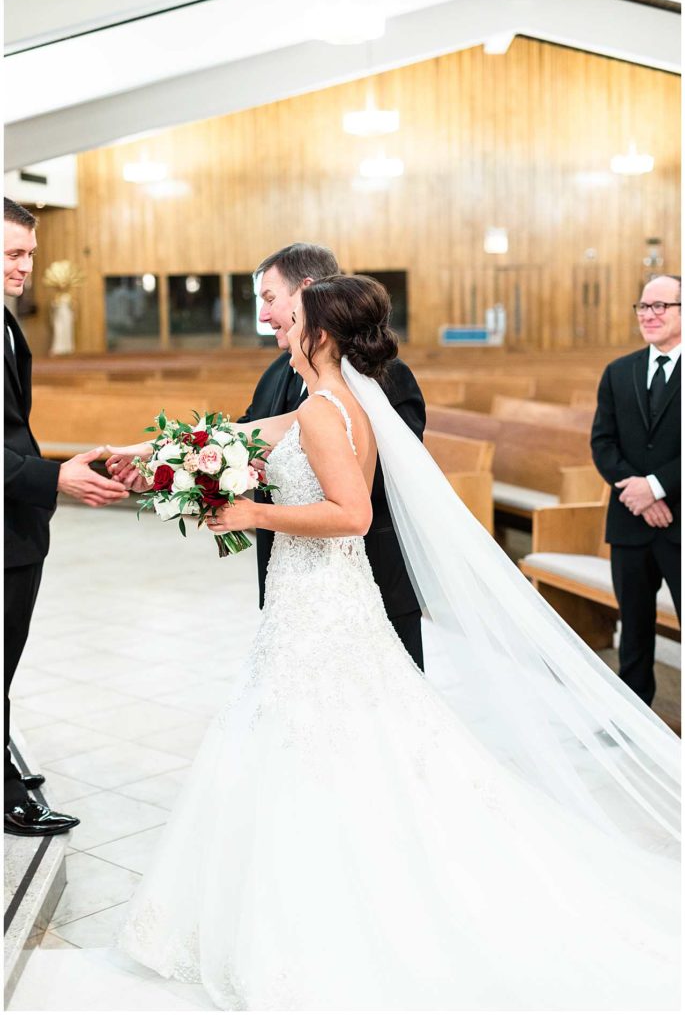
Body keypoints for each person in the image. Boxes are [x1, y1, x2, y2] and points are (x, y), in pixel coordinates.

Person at [110, 275, 678, 1010]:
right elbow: (242, 437)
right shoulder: (336, 403)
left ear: (319, 334)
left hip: (321, 597)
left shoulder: (324, 412)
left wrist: (253, 513)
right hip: (319, 597)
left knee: (316, 732)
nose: (280, 327)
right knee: (347, 731)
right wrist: (140, 454)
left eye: (292, 317)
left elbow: (351, 515)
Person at [4, 197, 129, 836]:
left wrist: (55, 469)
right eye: (13, 253)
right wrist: (55, 476)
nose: (26, 266)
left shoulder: (8, 324)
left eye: (30, 253)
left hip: (17, 525)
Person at [241, 243, 426, 668]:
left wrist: (255, 511)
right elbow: (246, 432)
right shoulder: (278, 373)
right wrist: (161, 460)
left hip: (368, 582)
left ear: (307, 296)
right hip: (294, 582)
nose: (264, 316)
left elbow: (387, 481)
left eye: (270, 299)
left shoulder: (384, 380)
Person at [591, 274, 681, 706]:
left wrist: (658, 487)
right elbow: (602, 443)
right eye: (643, 306)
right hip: (630, 522)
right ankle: (633, 721)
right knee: (633, 633)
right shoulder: (619, 371)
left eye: (660, 306)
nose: (649, 314)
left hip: (680, 523)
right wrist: (640, 495)